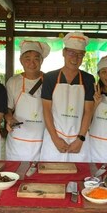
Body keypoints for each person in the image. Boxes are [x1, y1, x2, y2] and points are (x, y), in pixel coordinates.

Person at [40, 32, 95, 162]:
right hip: (54, 138)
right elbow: (46, 109)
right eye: (71, 53)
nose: (75, 58)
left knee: (78, 176)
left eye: (80, 54)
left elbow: (88, 111)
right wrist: (55, 138)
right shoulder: (50, 78)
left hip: (78, 139)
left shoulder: (88, 79)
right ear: (64, 53)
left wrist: (80, 139)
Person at [4, 40, 50, 161]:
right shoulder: (13, 82)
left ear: (42, 61)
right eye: (27, 58)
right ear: (21, 60)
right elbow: (8, 108)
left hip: (43, 140)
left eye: (36, 58)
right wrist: (9, 119)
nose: (32, 63)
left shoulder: (50, 81)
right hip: (18, 142)